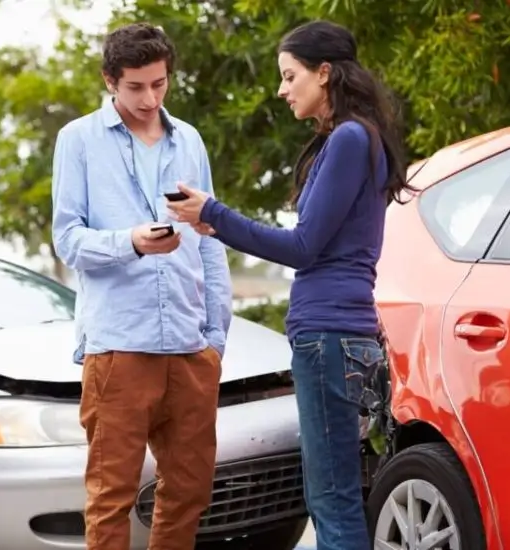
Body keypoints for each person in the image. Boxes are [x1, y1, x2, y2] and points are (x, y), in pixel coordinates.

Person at [167, 20, 413, 550]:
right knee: (339, 493)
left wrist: (216, 212)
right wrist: (215, 222)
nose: (282, 89)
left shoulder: (349, 139)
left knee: (332, 497)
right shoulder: (353, 139)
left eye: (289, 75)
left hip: (328, 336)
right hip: (341, 334)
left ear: (324, 74)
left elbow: (304, 247)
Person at [50, 22, 232, 550]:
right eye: (135, 87)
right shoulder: (78, 139)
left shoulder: (190, 140)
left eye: (159, 83)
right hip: (119, 348)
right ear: (110, 80)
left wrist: (214, 339)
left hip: (190, 347)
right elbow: (69, 240)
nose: (150, 98)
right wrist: (131, 241)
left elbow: (210, 238)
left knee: (190, 492)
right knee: (112, 497)